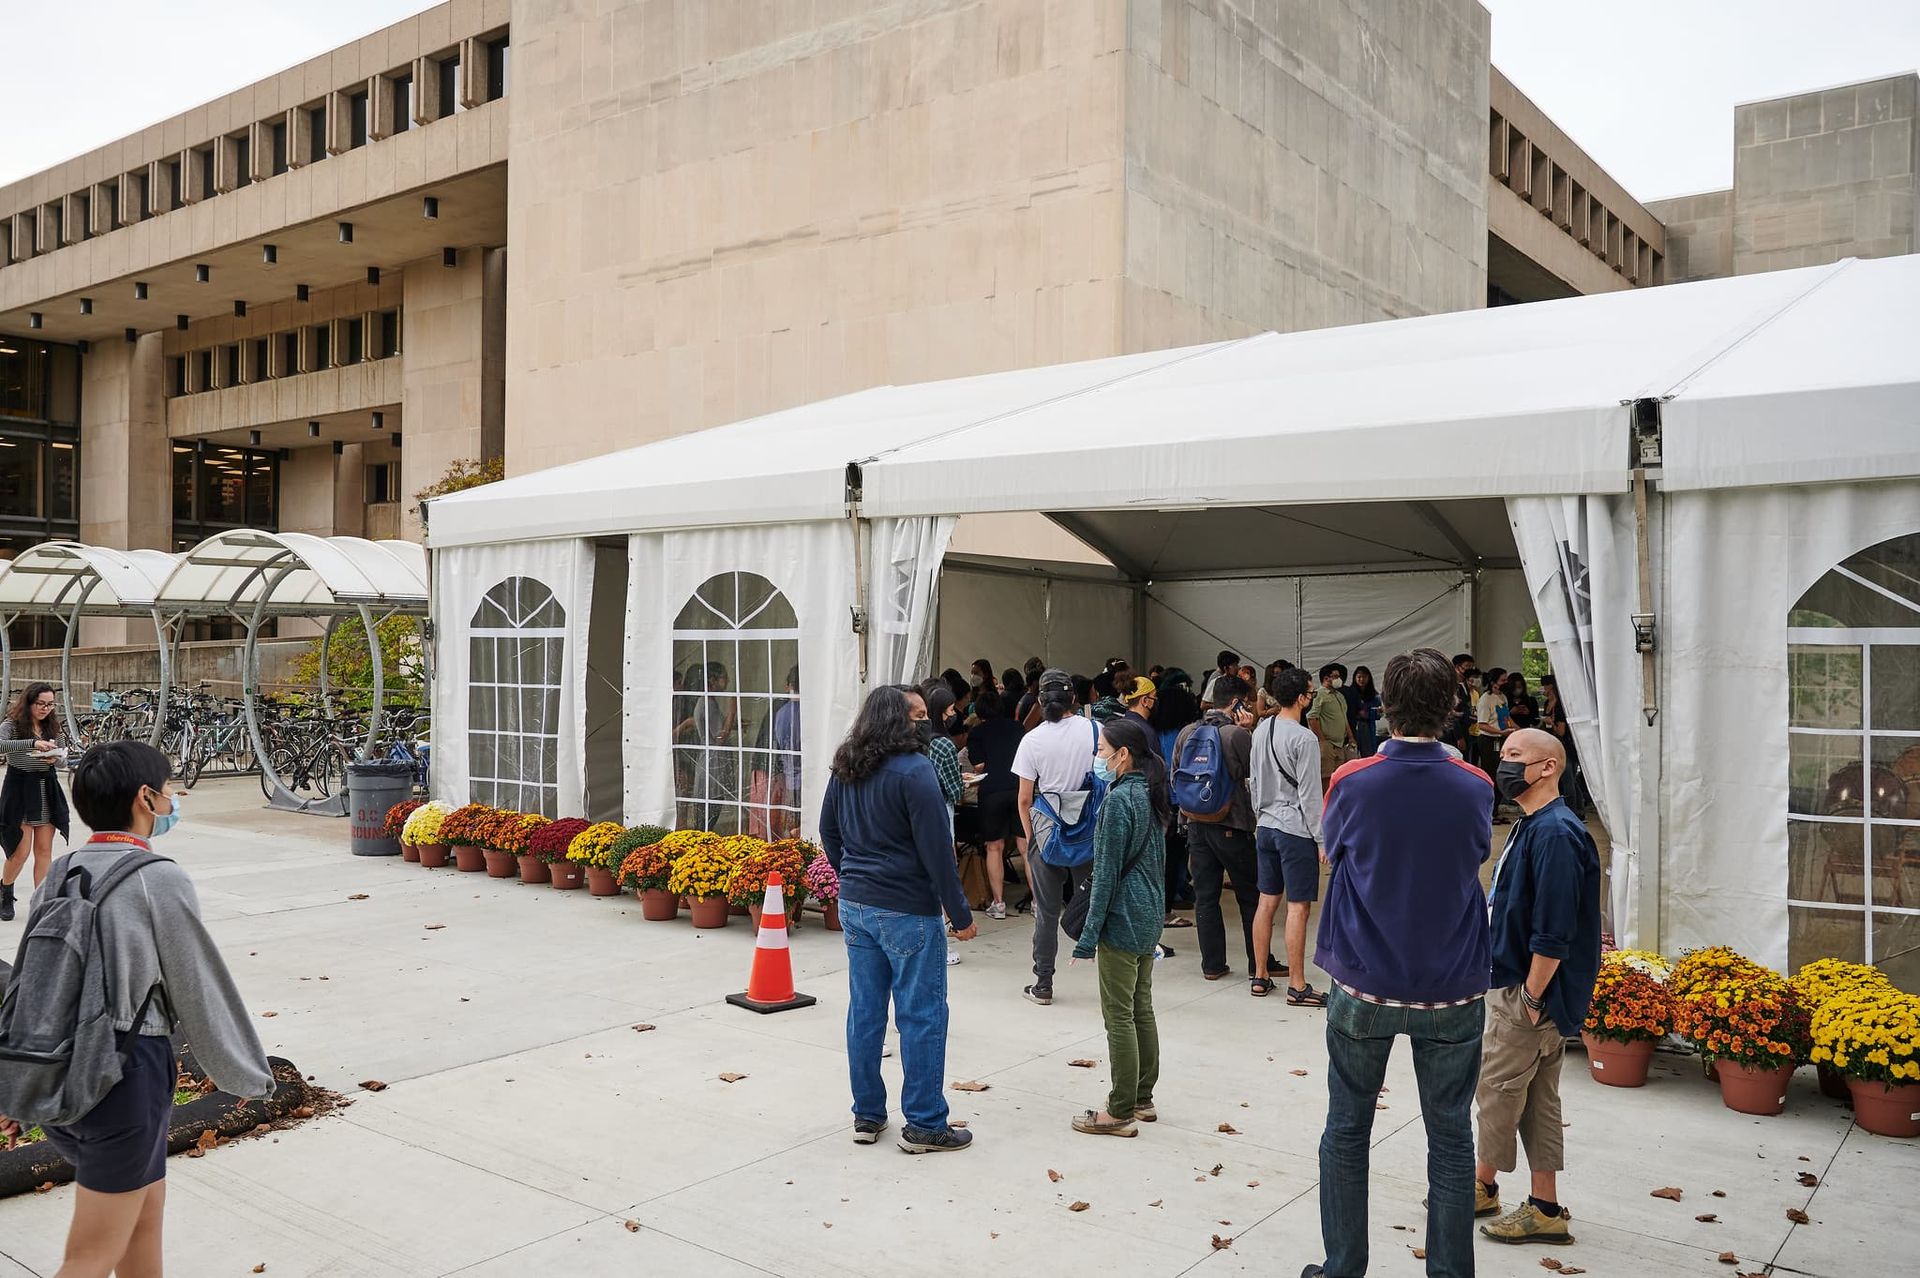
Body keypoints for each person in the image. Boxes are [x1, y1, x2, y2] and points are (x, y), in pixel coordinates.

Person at [0, 741, 273, 1278]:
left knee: (143, 1220)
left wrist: (15, 1083)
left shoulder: (64, 869)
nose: (174, 799)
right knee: (90, 1256)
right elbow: (198, 984)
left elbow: (30, 980)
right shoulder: (158, 878)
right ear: (146, 799)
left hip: (64, 1076)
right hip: (124, 1080)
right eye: (169, 789)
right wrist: (246, 1075)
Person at [1303, 648, 1494, 1278]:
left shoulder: (1352, 780)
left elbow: (1335, 855)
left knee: (1347, 1129)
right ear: (1452, 708)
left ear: (1384, 706)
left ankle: (1342, 1267)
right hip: (1452, 984)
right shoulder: (1476, 786)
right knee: (1449, 1138)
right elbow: (1469, 860)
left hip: (1364, 980)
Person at [820, 687, 978, 1154]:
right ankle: (926, 1124)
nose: (925, 723)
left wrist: (852, 874)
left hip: (857, 905)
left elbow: (829, 831)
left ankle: (867, 1115)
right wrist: (961, 913)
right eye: (919, 715)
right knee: (922, 1015)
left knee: (865, 1012)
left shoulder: (847, 765)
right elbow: (937, 852)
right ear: (895, 720)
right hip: (907, 909)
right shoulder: (916, 771)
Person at [1471, 728, 1602, 1247]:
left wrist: (1529, 996)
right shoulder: (1534, 824)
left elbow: (1554, 931)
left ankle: (1482, 1187)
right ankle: (1544, 1206)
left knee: (1498, 1091)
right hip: (1528, 990)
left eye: (1513, 756)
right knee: (1535, 1100)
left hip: (1527, 993)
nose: (1503, 765)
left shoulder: (1554, 834)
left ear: (1548, 767)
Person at [1068, 716, 1168, 1137]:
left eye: (1101, 751)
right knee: (1140, 1009)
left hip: (1123, 921)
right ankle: (1142, 1097)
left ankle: (1120, 1107)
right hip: (1148, 917)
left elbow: (1105, 875)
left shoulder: (1118, 801)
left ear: (1122, 755)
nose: (1097, 759)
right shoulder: (1151, 793)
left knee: (1119, 1017)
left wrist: (1087, 939)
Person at [1013, 669, 1101, 1006]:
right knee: (1094, 903)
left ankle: (1044, 982)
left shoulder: (1032, 740)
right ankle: (1106, 975)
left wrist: (1031, 836)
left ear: (1039, 702)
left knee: (1046, 913)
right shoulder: (1096, 731)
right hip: (1088, 831)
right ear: (1074, 699)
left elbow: (1024, 798)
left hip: (1048, 833)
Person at [1177, 677, 1266, 982]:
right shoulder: (1236, 735)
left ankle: (1212, 964)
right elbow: (1255, 774)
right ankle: (1259, 964)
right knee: (1251, 896)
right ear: (1237, 703)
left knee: (1205, 896)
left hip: (1195, 824)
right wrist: (1248, 730)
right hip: (1232, 824)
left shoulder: (1187, 732)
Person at [1249, 667, 1327, 1005]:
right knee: (1298, 907)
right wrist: (1322, 838)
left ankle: (1260, 975)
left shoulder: (1262, 729)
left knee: (1266, 902)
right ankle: (1297, 984)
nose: (1311, 698)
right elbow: (1310, 794)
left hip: (1265, 825)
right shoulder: (1304, 737)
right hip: (1294, 830)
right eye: (1310, 693)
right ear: (1300, 698)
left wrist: (1260, 815)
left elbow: (1253, 781)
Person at [2, 682, 71, 921]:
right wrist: (32, 743)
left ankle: (41, 903)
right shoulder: (12, 725)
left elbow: (64, 758)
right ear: (29, 702)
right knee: (20, 851)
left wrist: (55, 759)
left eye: (50, 704)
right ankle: (6, 890)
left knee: (44, 850)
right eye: (41, 704)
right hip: (20, 788)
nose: (45, 709)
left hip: (46, 787)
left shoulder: (53, 726)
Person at [915, 682, 968, 966]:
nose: (953, 714)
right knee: (944, 868)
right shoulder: (945, 744)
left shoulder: (918, 742)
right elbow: (954, 789)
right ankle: (944, 941)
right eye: (949, 710)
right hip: (942, 809)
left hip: (918, 811)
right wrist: (963, 783)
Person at [966, 689, 1025, 919]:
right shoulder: (1017, 728)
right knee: (1025, 846)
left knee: (994, 847)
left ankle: (999, 904)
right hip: (1019, 788)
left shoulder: (977, 732)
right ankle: (1039, 903)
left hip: (991, 791)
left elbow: (979, 766)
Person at [1147, 674, 1201, 911]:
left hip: (1161, 798)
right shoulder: (1187, 733)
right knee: (1177, 853)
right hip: (1180, 800)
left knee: (1168, 853)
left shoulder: (1155, 731)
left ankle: (1176, 890)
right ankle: (1175, 893)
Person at [1308, 663, 1355, 790]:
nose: (1338, 679)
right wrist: (1322, 741)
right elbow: (1312, 717)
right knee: (1326, 779)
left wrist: (1351, 737)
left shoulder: (1339, 695)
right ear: (1326, 678)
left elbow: (1344, 718)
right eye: (1335, 676)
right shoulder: (1318, 695)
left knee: (1339, 778)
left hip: (1340, 744)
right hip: (1327, 744)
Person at [1475, 667, 1511, 782]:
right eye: (1503, 681)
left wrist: (1518, 729)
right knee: (1490, 770)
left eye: (1506, 680)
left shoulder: (1503, 696)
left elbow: (1507, 717)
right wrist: (1501, 732)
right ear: (1493, 683)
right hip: (1488, 740)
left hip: (1501, 738)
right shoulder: (1486, 699)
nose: (1506, 683)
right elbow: (1482, 724)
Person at [1344, 665, 1383, 758]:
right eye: (1359, 677)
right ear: (1355, 678)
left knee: (1368, 753)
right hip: (1353, 726)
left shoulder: (1374, 695)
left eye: (1364, 677)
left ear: (1369, 678)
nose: (1361, 679)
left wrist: (1371, 713)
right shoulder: (1350, 693)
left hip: (1368, 728)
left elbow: (1379, 713)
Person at [1449, 653, 1477, 754]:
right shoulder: (1451, 686)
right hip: (1454, 734)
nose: (1470, 670)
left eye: (1471, 667)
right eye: (1467, 667)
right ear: (1457, 667)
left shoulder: (1464, 685)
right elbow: (1451, 714)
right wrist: (1459, 737)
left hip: (1466, 729)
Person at [1120, 676, 1159, 746]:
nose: (1156, 699)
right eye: (1154, 696)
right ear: (1145, 701)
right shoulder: (1146, 732)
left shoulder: (1118, 725)